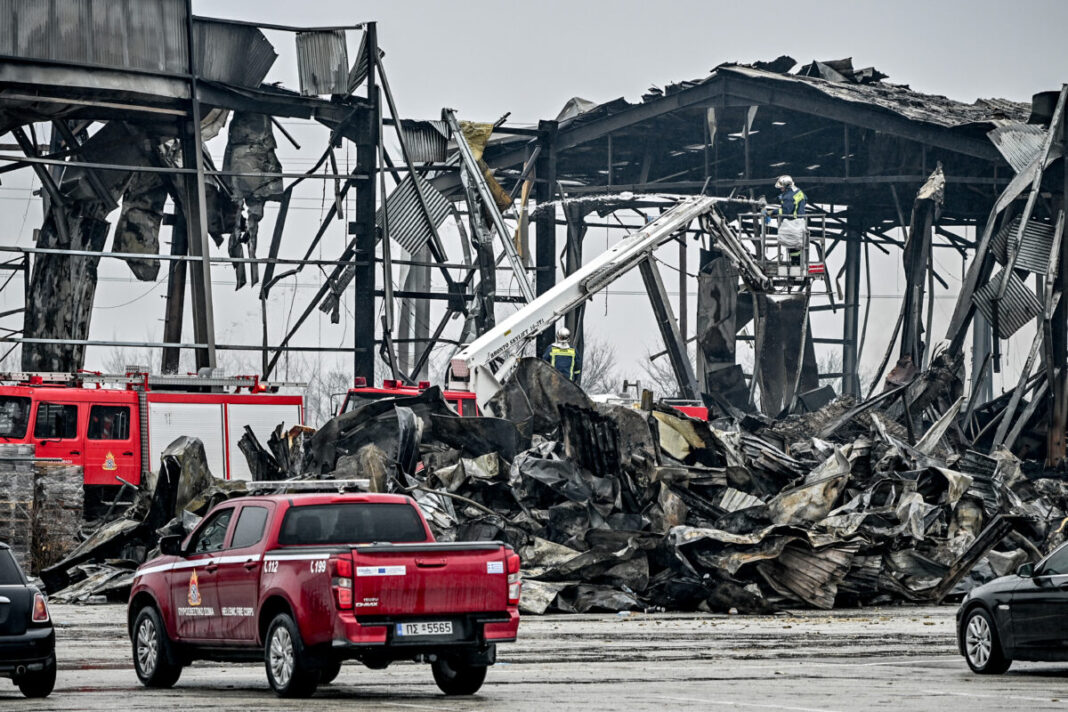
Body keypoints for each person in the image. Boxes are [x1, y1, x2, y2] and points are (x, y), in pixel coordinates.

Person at [775, 175, 807, 264]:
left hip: (792, 224)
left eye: (782, 187)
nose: (781, 189)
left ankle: (795, 262)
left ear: (787, 186)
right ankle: (797, 261)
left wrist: (772, 212)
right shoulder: (798, 191)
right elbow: (805, 198)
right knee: (796, 245)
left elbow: (785, 211)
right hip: (800, 223)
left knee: (791, 243)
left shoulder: (788, 197)